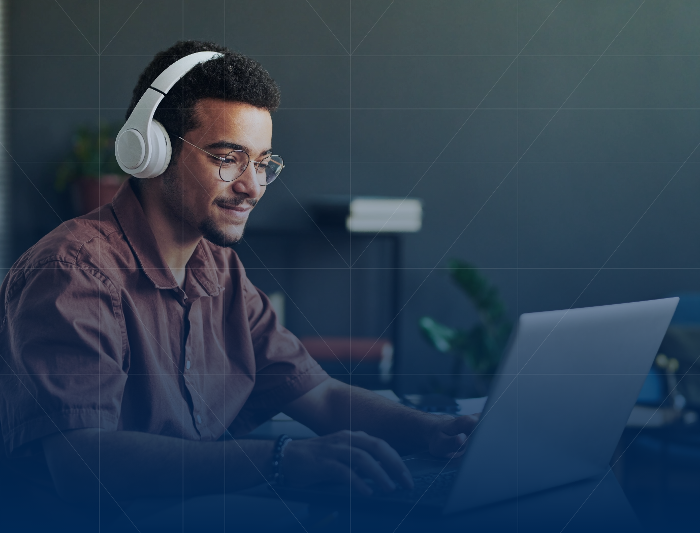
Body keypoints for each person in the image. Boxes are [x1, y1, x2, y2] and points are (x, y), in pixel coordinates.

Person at [0, 41, 477, 508]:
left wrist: (433, 431)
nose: (252, 187)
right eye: (227, 158)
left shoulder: (219, 266)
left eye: (263, 162)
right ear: (151, 151)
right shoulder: (72, 272)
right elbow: (81, 464)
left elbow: (321, 394)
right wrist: (280, 460)